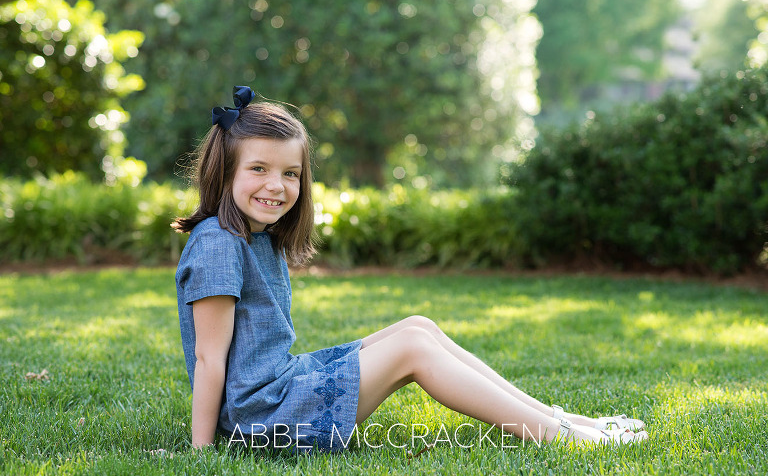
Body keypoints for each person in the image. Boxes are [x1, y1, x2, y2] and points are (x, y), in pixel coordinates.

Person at [173, 86, 648, 452]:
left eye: (290, 173)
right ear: (226, 171)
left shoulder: (254, 235)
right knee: (412, 348)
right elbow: (209, 360)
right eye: (258, 169)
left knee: (417, 327)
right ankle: (562, 437)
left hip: (281, 389)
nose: (276, 185)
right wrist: (202, 450)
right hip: (261, 421)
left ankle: (564, 421)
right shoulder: (217, 243)